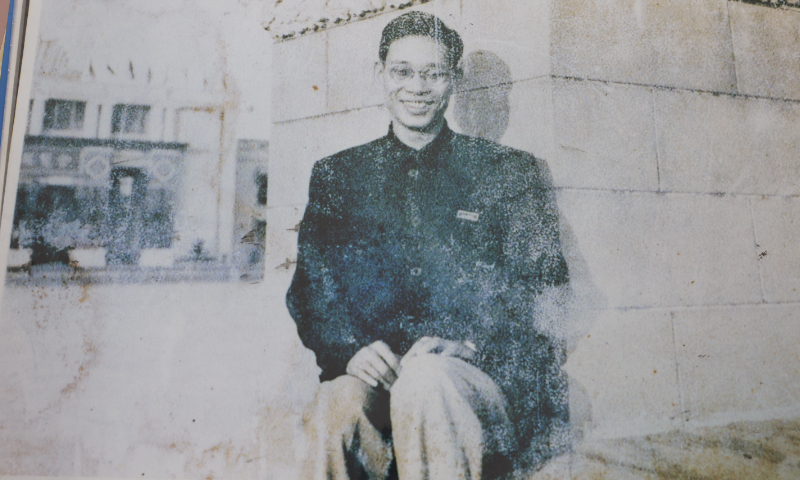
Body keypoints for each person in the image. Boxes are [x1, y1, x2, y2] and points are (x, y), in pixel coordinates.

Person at [286, 11, 570, 479]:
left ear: (454, 80)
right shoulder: (339, 175)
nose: (417, 87)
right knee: (335, 406)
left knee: (427, 381)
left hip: (475, 380)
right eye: (402, 72)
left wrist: (472, 344)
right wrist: (350, 348)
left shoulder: (512, 173)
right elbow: (312, 288)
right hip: (377, 377)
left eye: (433, 73)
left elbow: (542, 288)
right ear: (380, 74)